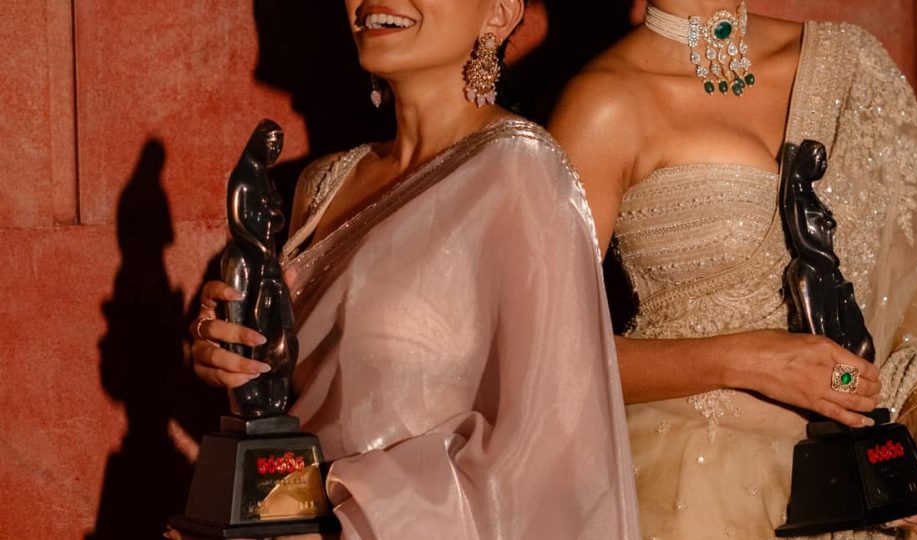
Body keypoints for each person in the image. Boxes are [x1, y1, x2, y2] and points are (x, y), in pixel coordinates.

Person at [549, 0, 917, 538]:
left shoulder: (851, 64)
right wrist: (747, 360)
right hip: (694, 494)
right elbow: (547, 360)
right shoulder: (604, 104)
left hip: (865, 489)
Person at [182, 0, 639, 538]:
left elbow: (553, 451)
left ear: (499, 12)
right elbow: (302, 417)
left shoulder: (521, 174)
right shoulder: (322, 185)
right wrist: (235, 354)